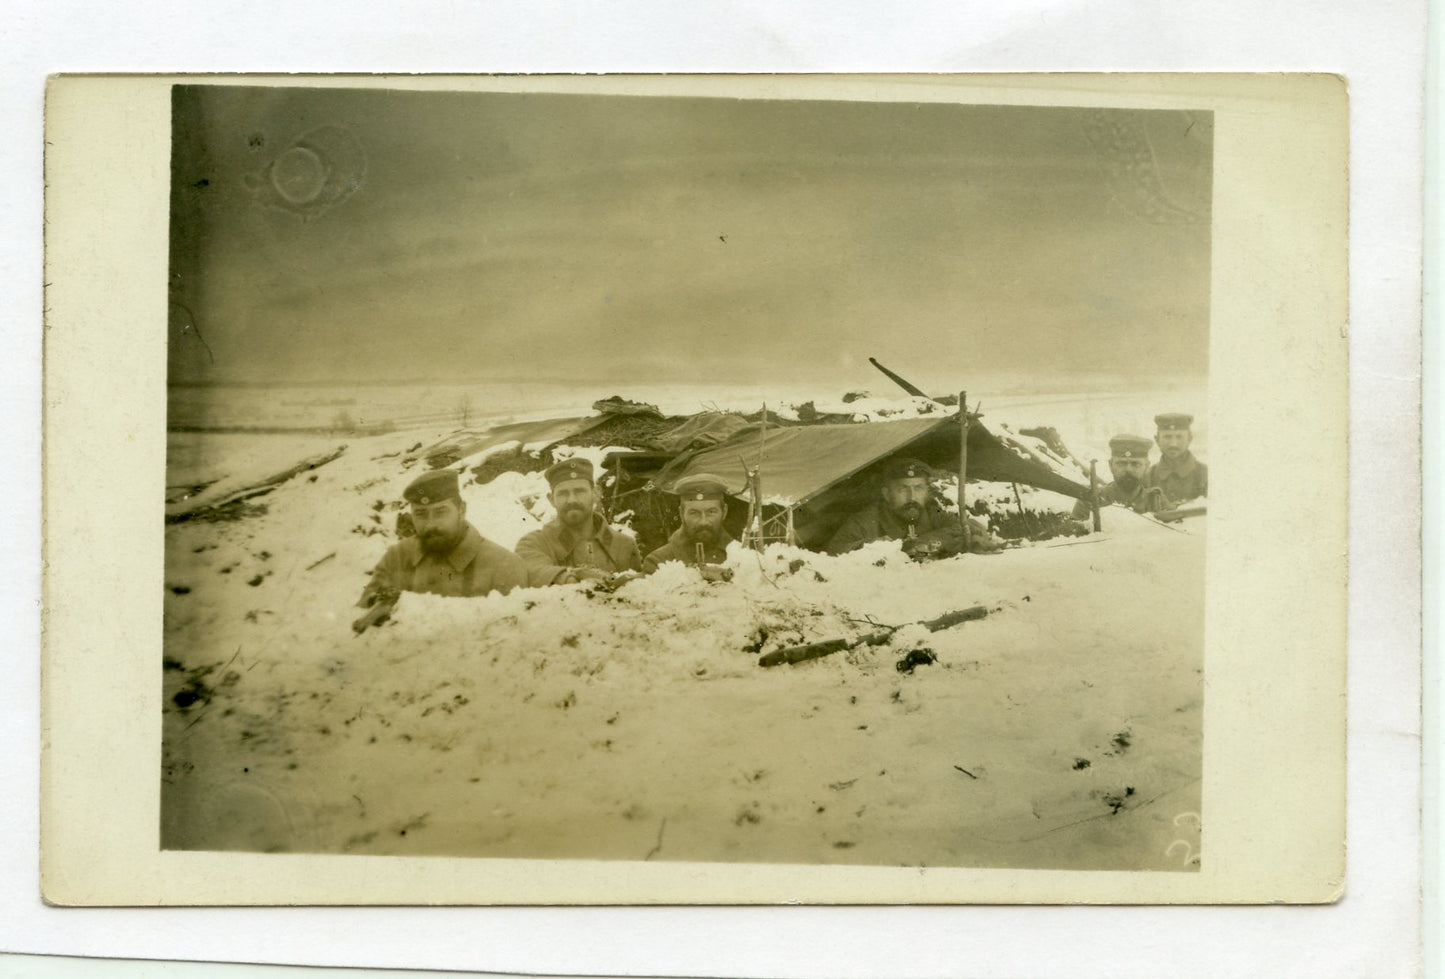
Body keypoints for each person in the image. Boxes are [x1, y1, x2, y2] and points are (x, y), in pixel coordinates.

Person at [357, 468, 527, 603]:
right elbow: (365, 630)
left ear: (461, 510)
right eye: (420, 514)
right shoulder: (397, 557)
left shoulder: (504, 565)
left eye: (440, 512)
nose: (430, 524)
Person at [824, 458, 1004, 557]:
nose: (912, 497)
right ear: (887, 494)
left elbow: (962, 528)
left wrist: (919, 545)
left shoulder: (933, 512)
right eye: (903, 489)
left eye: (918, 488)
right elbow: (835, 550)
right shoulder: (867, 520)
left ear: (927, 491)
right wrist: (872, 547)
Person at [514, 458, 643, 587]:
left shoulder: (624, 545)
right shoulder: (534, 543)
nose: (571, 500)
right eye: (563, 494)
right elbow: (531, 570)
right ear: (551, 499)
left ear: (596, 493)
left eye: (579, 491)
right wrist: (570, 577)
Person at [641, 473, 736, 577]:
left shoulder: (742, 557)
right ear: (681, 514)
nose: (703, 521)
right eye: (694, 513)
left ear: (724, 512)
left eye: (711, 512)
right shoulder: (659, 561)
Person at [1072, 435, 1169, 519]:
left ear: (1146, 466)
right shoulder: (1090, 499)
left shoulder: (1156, 500)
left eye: (1135, 464)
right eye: (1121, 463)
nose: (1128, 469)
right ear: (1111, 466)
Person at [1147, 412, 1208, 504]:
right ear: (1157, 440)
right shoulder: (1148, 476)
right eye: (1167, 437)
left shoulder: (1205, 474)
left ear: (1189, 439)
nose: (1173, 443)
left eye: (1179, 437)